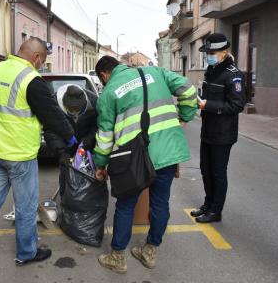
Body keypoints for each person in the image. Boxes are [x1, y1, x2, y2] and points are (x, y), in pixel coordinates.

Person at [0, 37, 76, 276]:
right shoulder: (31, 79)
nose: (41, 65)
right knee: (25, 207)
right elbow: (52, 115)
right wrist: (71, 138)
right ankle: (26, 253)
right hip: (19, 155)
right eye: (42, 61)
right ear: (36, 57)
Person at [93, 56, 198, 274]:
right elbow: (188, 90)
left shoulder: (109, 92)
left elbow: (104, 137)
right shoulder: (156, 72)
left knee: (126, 205)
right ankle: (150, 251)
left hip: (133, 158)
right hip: (166, 152)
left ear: (104, 75)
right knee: (160, 203)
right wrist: (184, 117)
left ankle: (117, 257)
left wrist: (101, 165)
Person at [191, 33, 246, 223]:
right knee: (205, 169)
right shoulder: (211, 70)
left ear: (224, 52)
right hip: (208, 131)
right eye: (208, 52)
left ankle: (216, 211)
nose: (209, 55)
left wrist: (208, 106)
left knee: (217, 172)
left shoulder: (233, 74)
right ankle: (207, 204)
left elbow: (237, 105)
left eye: (212, 52)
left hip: (223, 133)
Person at [44, 84, 98, 198]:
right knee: (66, 175)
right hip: (66, 147)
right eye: (71, 110)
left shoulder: (93, 101)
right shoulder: (54, 103)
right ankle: (67, 204)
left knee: (90, 176)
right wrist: (62, 152)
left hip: (87, 147)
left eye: (78, 110)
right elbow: (51, 131)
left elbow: (98, 125)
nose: (75, 113)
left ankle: (88, 203)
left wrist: (90, 139)